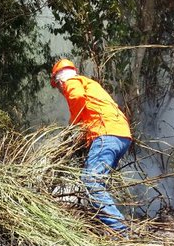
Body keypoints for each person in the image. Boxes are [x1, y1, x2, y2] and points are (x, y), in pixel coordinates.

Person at [51, 59, 132, 233]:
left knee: (91, 181)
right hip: (121, 135)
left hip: (106, 134)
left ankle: (121, 231)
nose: (60, 90)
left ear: (59, 81)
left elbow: (77, 98)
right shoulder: (90, 83)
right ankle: (110, 226)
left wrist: (72, 126)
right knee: (98, 183)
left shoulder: (72, 82)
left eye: (58, 87)